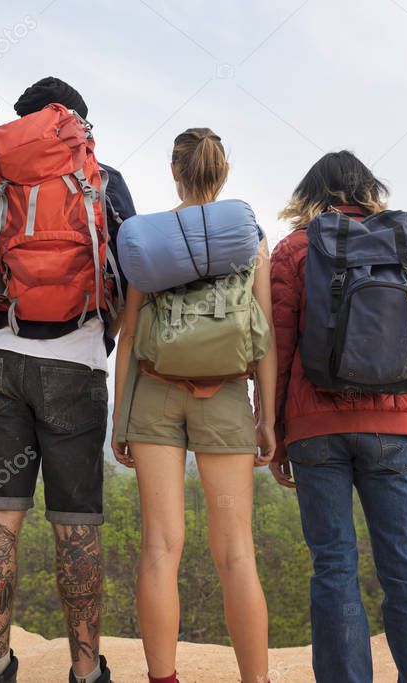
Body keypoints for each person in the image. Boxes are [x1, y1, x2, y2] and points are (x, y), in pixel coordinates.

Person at [0, 77, 135, 683]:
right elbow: (133, 272)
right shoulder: (102, 179)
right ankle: (85, 671)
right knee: (76, 525)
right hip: (78, 362)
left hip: (1, 357)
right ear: (78, 126)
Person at [268, 151, 407, 683]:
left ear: (311, 194)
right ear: (370, 190)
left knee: (334, 568)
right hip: (394, 428)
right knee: (405, 569)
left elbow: (274, 351)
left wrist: (277, 436)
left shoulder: (295, 250)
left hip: (316, 430)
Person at [112, 128, 276, 683]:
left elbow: (130, 336)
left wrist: (121, 417)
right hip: (228, 395)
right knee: (236, 554)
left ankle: (163, 678)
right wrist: (266, 417)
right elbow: (266, 335)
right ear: (222, 172)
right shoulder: (251, 238)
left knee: (161, 547)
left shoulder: (148, 241)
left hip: (156, 393)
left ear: (174, 171)